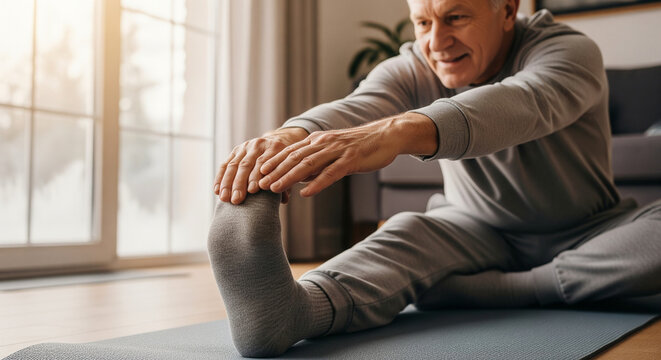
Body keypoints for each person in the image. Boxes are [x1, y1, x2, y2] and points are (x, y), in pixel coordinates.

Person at [208, 0, 661, 357]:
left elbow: (523, 103)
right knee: (407, 232)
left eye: (455, 17)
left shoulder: (570, 52)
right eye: (422, 23)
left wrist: (401, 129)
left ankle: (494, 290)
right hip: (471, 231)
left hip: (589, 231)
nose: (436, 42)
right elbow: (362, 104)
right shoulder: (416, 66)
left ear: (507, 9)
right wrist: (291, 135)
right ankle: (290, 312)